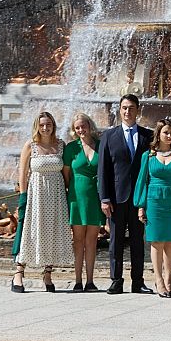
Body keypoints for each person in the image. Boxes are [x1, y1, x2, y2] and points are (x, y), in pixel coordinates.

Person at [97, 94, 154, 295]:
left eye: (131, 108)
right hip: (116, 198)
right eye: (124, 108)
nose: (127, 111)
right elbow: (103, 170)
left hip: (139, 199)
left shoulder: (148, 136)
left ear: (138, 110)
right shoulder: (108, 136)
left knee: (138, 241)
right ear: (119, 110)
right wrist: (104, 198)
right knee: (116, 241)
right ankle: (116, 280)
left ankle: (138, 281)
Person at [12, 111, 73, 293]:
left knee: (52, 231)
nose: (45, 128)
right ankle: (19, 273)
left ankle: (47, 274)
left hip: (56, 195)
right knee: (30, 231)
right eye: (42, 125)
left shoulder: (61, 145)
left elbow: (66, 174)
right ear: (37, 127)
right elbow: (22, 174)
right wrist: (23, 197)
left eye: (49, 125)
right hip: (36, 195)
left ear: (53, 126)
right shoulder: (31, 146)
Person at [133, 119, 171, 298]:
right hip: (154, 202)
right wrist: (141, 206)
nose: (169, 135)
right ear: (158, 134)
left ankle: (169, 279)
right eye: (166, 132)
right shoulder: (148, 156)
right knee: (156, 242)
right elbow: (142, 181)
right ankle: (158, 280)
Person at [62, 113, 106, 292]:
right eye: (77, 127)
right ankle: (77, 281)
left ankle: (90, 281)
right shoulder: (71, 148)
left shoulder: (100, 145)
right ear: (74, 129)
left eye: (83, 126)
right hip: (76, 198)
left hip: (94, 198)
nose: (81, 130)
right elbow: (66, 175)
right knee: (78, 241)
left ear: (90, 125)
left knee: (92, 241)